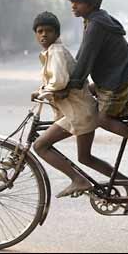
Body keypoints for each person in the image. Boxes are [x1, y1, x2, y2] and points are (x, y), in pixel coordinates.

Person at [66, 0, 128, 208]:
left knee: (102, 119)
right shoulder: (95, 19)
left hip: (116, 82)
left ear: (90, 3)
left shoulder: (97, 24)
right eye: (73, 2)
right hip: (111, 79)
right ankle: (127, 182)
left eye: (77, 2)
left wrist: (70, 85)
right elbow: (86, 56)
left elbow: (85, 58)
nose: (73, 6)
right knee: (84, 154)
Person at [31, 11, 97, 198]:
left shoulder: (56, 52)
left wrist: (44, 92)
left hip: (77, 113)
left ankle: (79, 180)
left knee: (40, 146)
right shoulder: (50, 52)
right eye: (40, 31)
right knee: (85, 157)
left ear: (57, 34)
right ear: (35, 34)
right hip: (82, 110)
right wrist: (43, 89)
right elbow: (56, 81)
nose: (44, 35)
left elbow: (59, 81)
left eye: (48, 31)